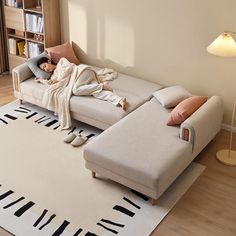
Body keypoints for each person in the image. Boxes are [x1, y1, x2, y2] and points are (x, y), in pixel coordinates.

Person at [36, 57, 127, 110]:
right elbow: (51, 83)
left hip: (82, 71)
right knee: (95, 92)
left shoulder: (61, 61)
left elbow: (69, 69)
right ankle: (119, 100)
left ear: (48, 61)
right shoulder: (53, 76)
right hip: (82, 80)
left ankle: (102, 85)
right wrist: (41, 80)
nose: (45, 69)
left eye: (45, 66)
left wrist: (58, 79)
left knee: (75, 90)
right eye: (43, 69)